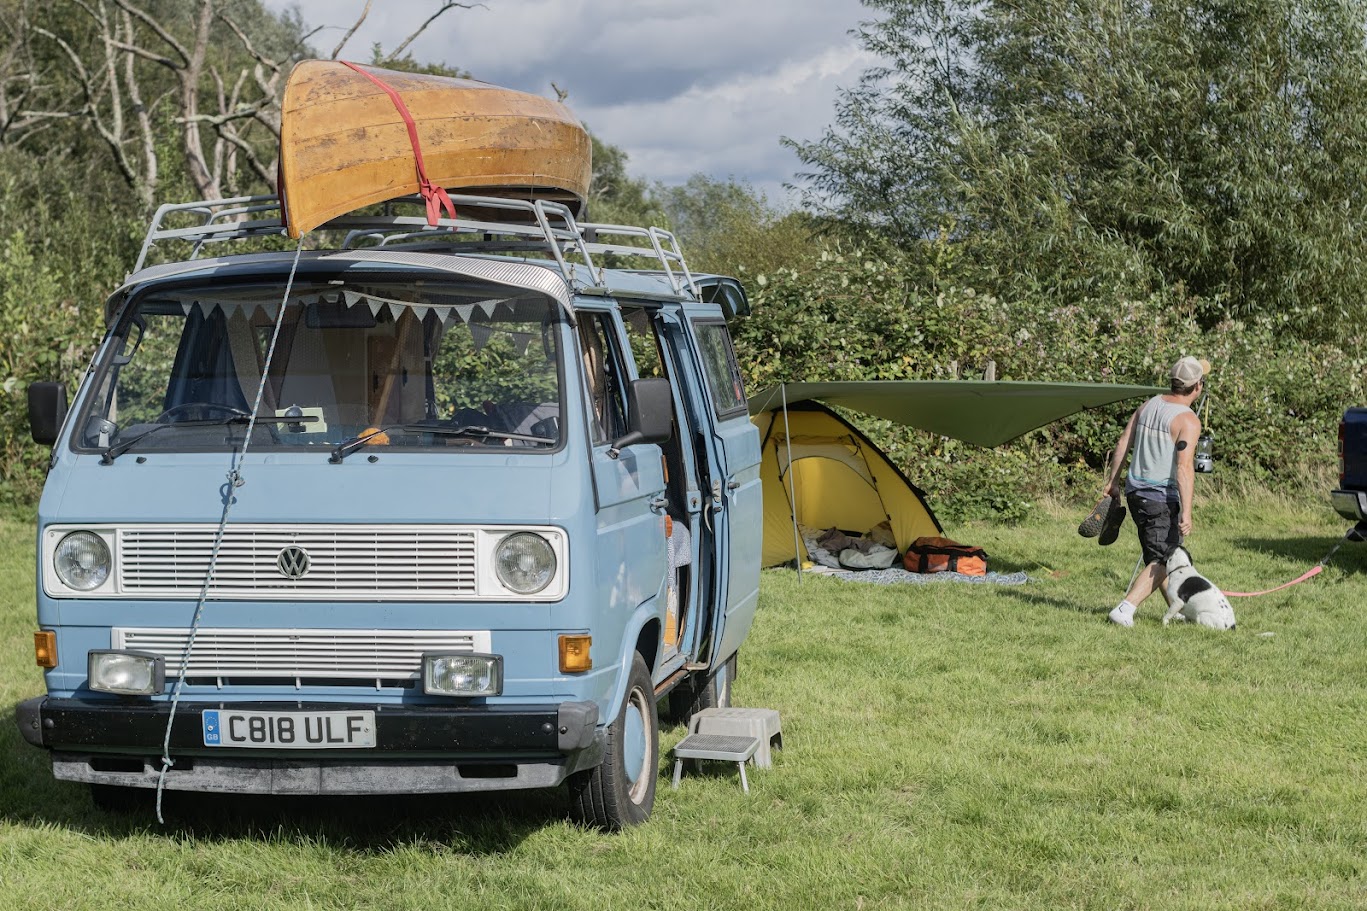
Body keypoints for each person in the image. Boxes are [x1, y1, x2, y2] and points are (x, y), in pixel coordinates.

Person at [1103, 355, 1208, 627]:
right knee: (1164, 557)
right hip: (1160, 498)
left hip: (1135, 492)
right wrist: (1186, 511)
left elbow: (1124, 441)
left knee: (1157, 556)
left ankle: (1178, 609)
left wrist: (1113, 482)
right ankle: (1125, 609)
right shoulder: (1189, 420)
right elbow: (1184, 468)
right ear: (1197, 386)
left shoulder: (1149, 405)